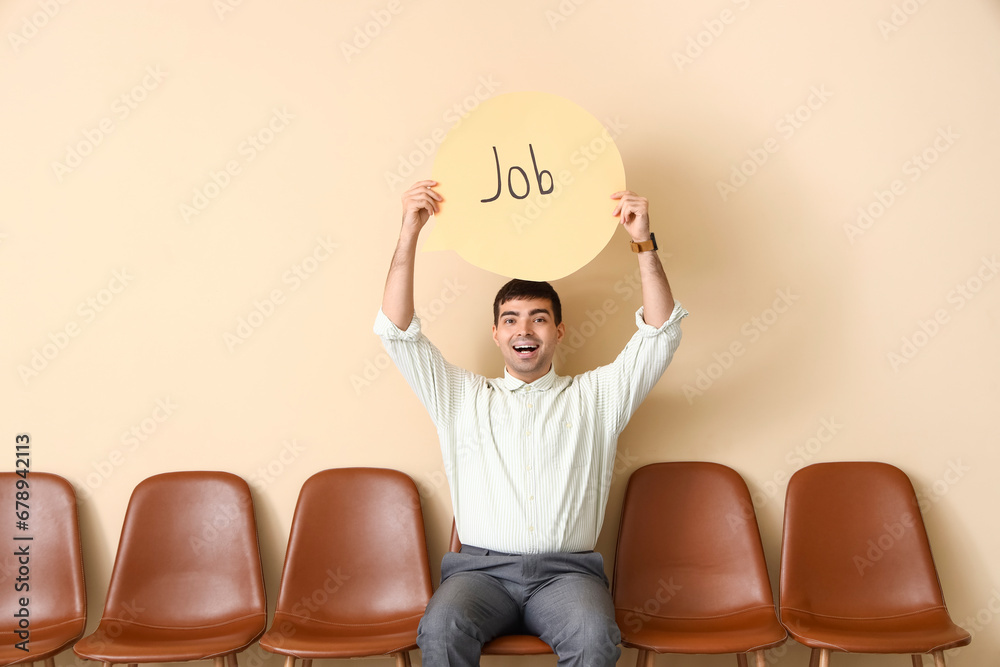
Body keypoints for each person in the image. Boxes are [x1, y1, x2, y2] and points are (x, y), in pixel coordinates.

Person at [375, 179, 687, 666]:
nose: (524, 329)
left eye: (539, 318)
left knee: (594, 634)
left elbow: (661, 334)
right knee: (440, 628)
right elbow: (397, 333)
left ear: (558, 331)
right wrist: (409, 232)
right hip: (478, 575)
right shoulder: (460, 396)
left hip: (568, 577)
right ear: (496, 334)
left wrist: (642, 242)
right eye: (512, 319)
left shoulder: (597, 396)